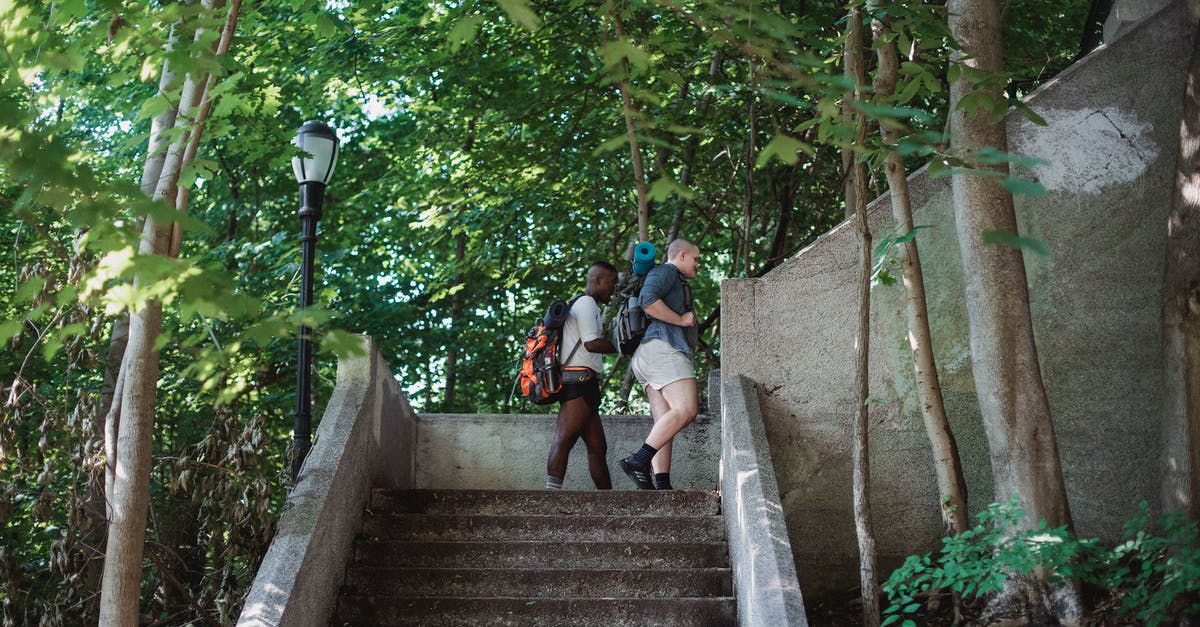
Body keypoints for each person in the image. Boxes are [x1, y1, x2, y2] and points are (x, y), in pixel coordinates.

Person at [619, 238, 701, 491]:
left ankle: (661, 483)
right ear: (683, 255)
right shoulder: (667, 271)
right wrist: (680, 319)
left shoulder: (671, 277)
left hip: (649, 356)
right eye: (696, 259)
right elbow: (648, 301)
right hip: (663, 349)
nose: (698, 264)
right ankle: (638, 460)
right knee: (687, 409)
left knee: (665, 421)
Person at [545, 261, 619, 490]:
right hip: (578, 382)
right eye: (611, 282)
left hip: (585, 384)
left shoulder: (582, 303)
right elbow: (591, 344)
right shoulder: (587, 304)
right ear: (597, 280)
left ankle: (609, 502)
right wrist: (622, 346)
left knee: (598, 447)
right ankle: (549, 497)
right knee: (564, 438)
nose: (613, 289)